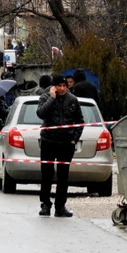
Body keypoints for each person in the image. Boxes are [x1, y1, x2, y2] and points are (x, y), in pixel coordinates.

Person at [35, 74, 84, 218]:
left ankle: (60, 206)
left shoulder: (73, 100)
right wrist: (52, 98)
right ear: (54, 87)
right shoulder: (45, 98)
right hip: (49, 141)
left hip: (66, 143)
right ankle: (45, 204)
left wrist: (74, 138)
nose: (62, 89)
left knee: (63, 176)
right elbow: (40, 113)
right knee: (47, 174)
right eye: (59, 86)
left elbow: (80, 121)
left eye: (64, 86)